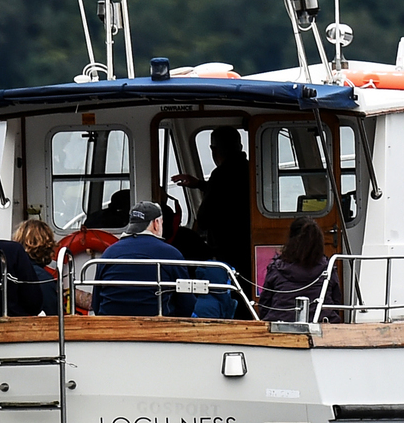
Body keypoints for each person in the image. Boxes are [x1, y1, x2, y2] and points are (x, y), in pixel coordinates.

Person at [92, 201, 193, 317]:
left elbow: (96, 303)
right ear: (156, 223)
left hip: (111, 325)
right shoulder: (171, 254)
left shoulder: (108, 253)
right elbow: (186, 304)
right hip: (158, 326)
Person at [193, 128, 252, 285]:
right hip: (248, 245)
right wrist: (199, 184)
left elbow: (204, 218)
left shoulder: (220, 174)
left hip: (227, 248)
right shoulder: (251, 170)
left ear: (214, 149)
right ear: (240, 147)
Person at [260, 219, 333, 323]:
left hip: (280, 326)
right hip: (322, 324)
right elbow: (336, 301)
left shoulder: (276, 268)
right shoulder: (328, 268)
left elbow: (264, 305)